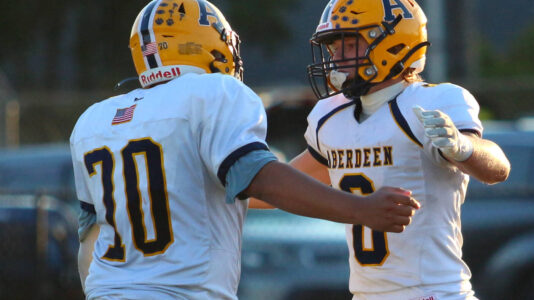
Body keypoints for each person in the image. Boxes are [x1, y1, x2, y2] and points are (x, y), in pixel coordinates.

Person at [69, 1, 420, 299]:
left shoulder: (93, 120)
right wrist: (360, 209)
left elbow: (90, 241)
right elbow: (260, 179)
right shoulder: (213, 92)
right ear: (206, 43)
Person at [286, 0, 511, 299]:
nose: (336, 57)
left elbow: (498, 168)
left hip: (432, 292)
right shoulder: (331, 116)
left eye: (348, 44)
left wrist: (463, 147)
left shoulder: (432, 101)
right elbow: (283, 185)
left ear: (393, 42)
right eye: (331, 47)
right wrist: (219, 184)